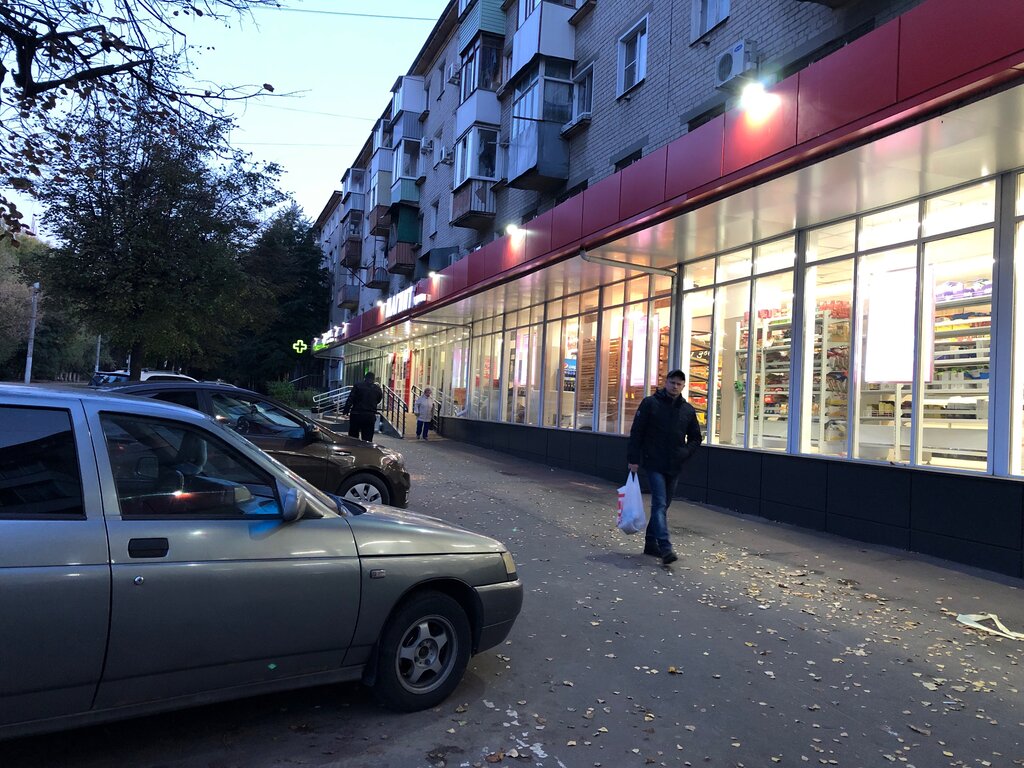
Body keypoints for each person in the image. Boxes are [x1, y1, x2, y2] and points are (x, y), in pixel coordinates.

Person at [626, 369, 703, 565]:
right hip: (653, 462)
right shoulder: (650, 403)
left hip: (674, 464)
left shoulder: (687, 410)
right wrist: (633, 459)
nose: (675, 386)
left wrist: (685, 452)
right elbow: (637, 432)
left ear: (683, 386)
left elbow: (696, 437)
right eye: (672, 382)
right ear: (665, 382)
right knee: (659, 504)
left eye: (679, 384)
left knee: (664, 505)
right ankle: (665, 547)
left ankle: (650, 544)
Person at [342, 372, 383, 442]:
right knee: (367, 438)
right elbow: (378, 400)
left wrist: (346, 411)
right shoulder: (377, 389)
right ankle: (366, 448)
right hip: (370, 415)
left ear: (365, 378)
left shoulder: (358, 386)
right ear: (373, 379)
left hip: (356, 414)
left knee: (353, 437)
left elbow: (350, 399)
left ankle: (354, 448)